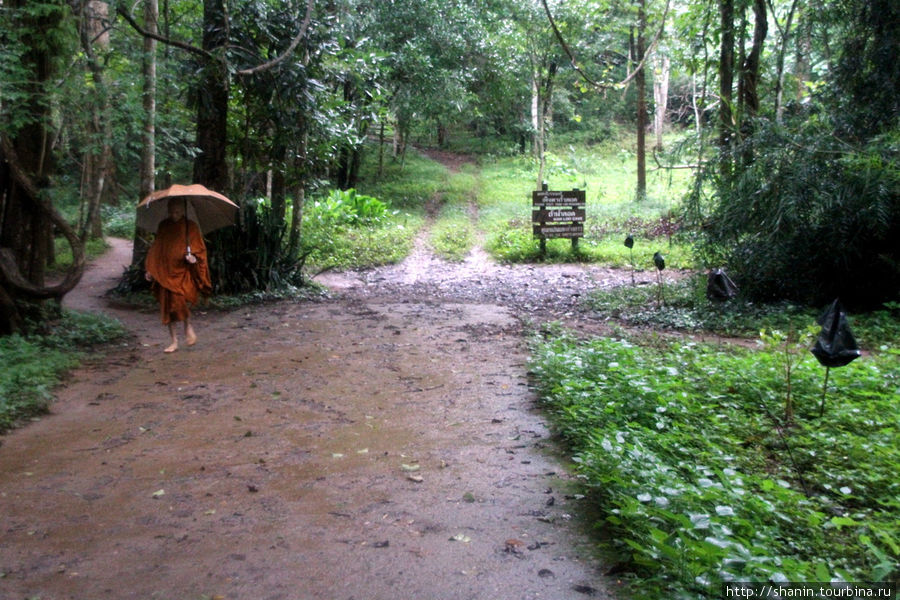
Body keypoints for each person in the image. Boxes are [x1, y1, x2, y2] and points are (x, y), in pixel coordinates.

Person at [144, 198, 212, 353]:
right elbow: (157, 248)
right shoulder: (164, 225)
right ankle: (173, 341)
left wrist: (193, 258)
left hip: (183, 272)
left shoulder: (191, 227)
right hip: (165, 271)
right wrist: (150, 269)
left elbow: (200, 250)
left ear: (183, 211)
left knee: (180, 301)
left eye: (178, 212)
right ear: (168, 210)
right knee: (167, 307)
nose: (174, 215)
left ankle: (188, 325)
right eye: (172, 211)